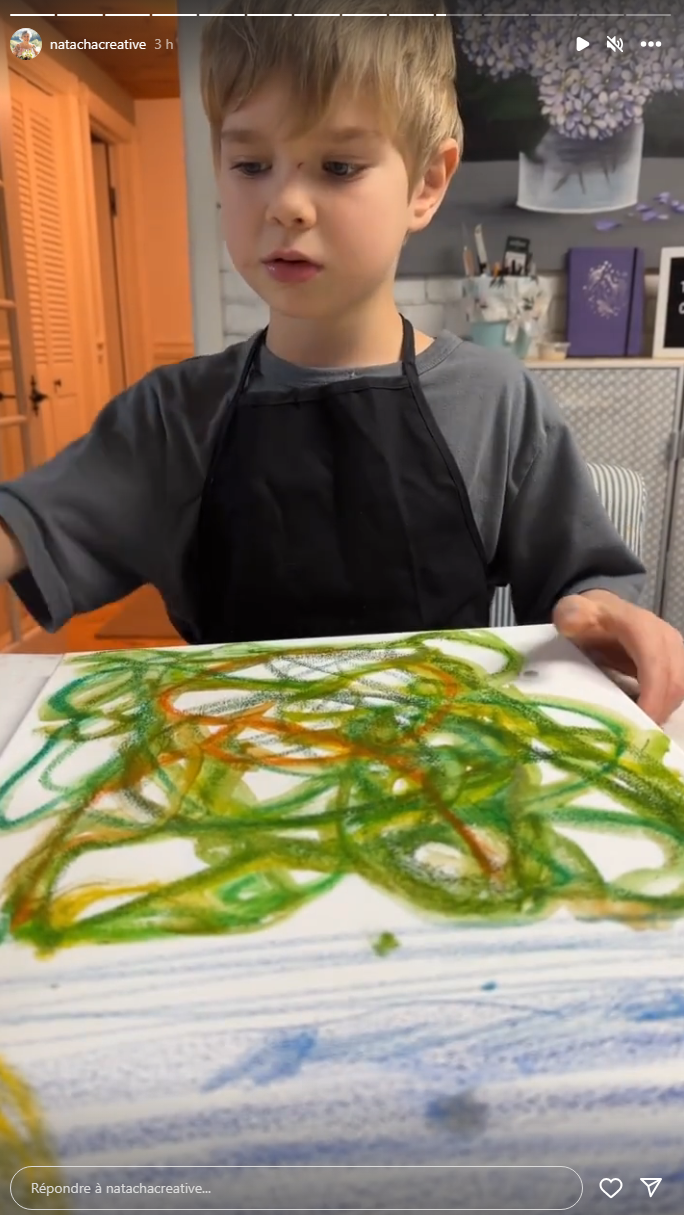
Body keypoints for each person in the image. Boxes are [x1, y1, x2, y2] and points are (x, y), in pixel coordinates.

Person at [0, 0, 682, 725]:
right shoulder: (172, 414)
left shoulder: (498, 401)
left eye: (338, 165)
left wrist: (604, 613)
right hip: (228, 770)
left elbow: (587, 585)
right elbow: (27, 527)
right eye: (251, 163)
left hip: (444, 770)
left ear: (426, 183)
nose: (287, 202)